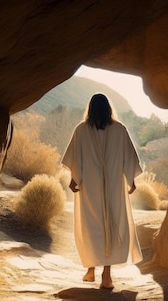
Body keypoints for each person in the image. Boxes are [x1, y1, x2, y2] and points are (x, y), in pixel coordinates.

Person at [62, 93, 143, 289]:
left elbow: (76, 160)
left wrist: (74, 181)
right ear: (108, 109)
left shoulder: (81, 130)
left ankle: (91, 270)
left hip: (90, 189)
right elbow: (129, 159)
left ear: (90, 109)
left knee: (92, 227)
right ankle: (106, 276)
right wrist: (130, 181)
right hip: (114, 188)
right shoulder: (120, 130)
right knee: (111, 227)